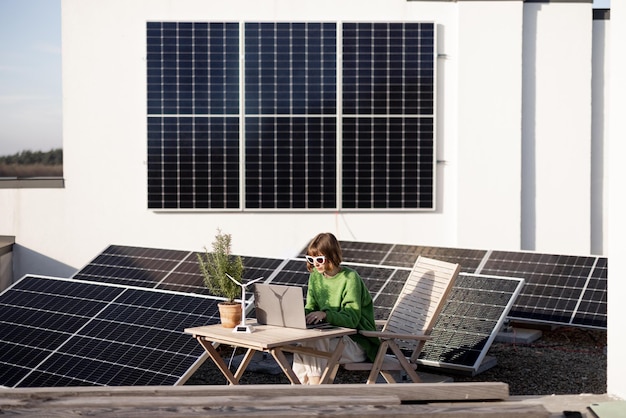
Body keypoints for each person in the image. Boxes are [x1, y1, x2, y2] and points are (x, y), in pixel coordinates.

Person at [292, 232, 380, 384]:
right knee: (302, 347)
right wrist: (295, 313)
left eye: (319, 259)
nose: (315, 264)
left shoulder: (350, 278)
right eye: (310, 259)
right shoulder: (315, 276)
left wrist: (325, 315)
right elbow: (311, 307)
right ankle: (305, 392)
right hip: (332, 337)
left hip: (356, 342)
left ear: (332, 256)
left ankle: (312, 390)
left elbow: (351, 320)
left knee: (311, 344)